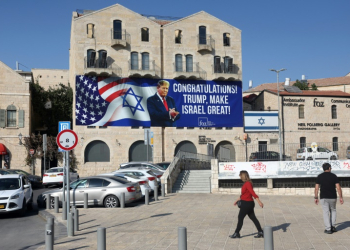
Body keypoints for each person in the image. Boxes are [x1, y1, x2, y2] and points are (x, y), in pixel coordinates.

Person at [230, 170, 264, 238]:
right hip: (249, 203)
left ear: (243, 176)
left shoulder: (247, 184)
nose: (239, 176)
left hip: (246, 204)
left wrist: (259, 201)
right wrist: (236, 200)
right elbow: (244, 194)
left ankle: (236, 233)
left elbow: (252, 193)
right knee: (253, 218)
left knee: (240, 218)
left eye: (240, 175)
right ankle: (260, 232)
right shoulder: (247, 183)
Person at [314, 163, 344, 234]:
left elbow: (316, 188)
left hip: (323, 197)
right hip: (333, 197)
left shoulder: (320, 176)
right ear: (329, 168)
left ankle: (328, 229)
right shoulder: (334, 176)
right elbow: (338, 187)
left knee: (326, 212)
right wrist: (341, 197)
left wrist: (316, 197)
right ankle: (333, 226)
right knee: (333, 211)